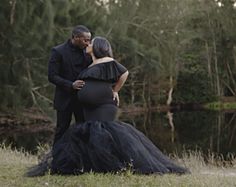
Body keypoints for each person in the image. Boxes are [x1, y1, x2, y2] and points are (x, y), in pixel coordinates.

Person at [26, 37, 190, 177]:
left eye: (91, 43)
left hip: (103, 107)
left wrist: (115, 90)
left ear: (97, 47)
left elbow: (124, 73)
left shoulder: (107, 60)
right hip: (89, 109)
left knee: (103, 133)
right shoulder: (91, 62)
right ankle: (91, 166)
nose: (88, 44)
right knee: (90, 134)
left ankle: (116, 166)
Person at [48, 25, 92, 144]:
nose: (88, 43)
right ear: (75, 37)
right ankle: (57, 159)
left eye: (89, 40)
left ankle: (82, 159)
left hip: (83, 99)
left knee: (84, 130)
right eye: (85, 40)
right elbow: (52, 76)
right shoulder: (58, 51)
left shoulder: (89, 52)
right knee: (61, 130)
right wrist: (70, 85)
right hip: (64, 99)